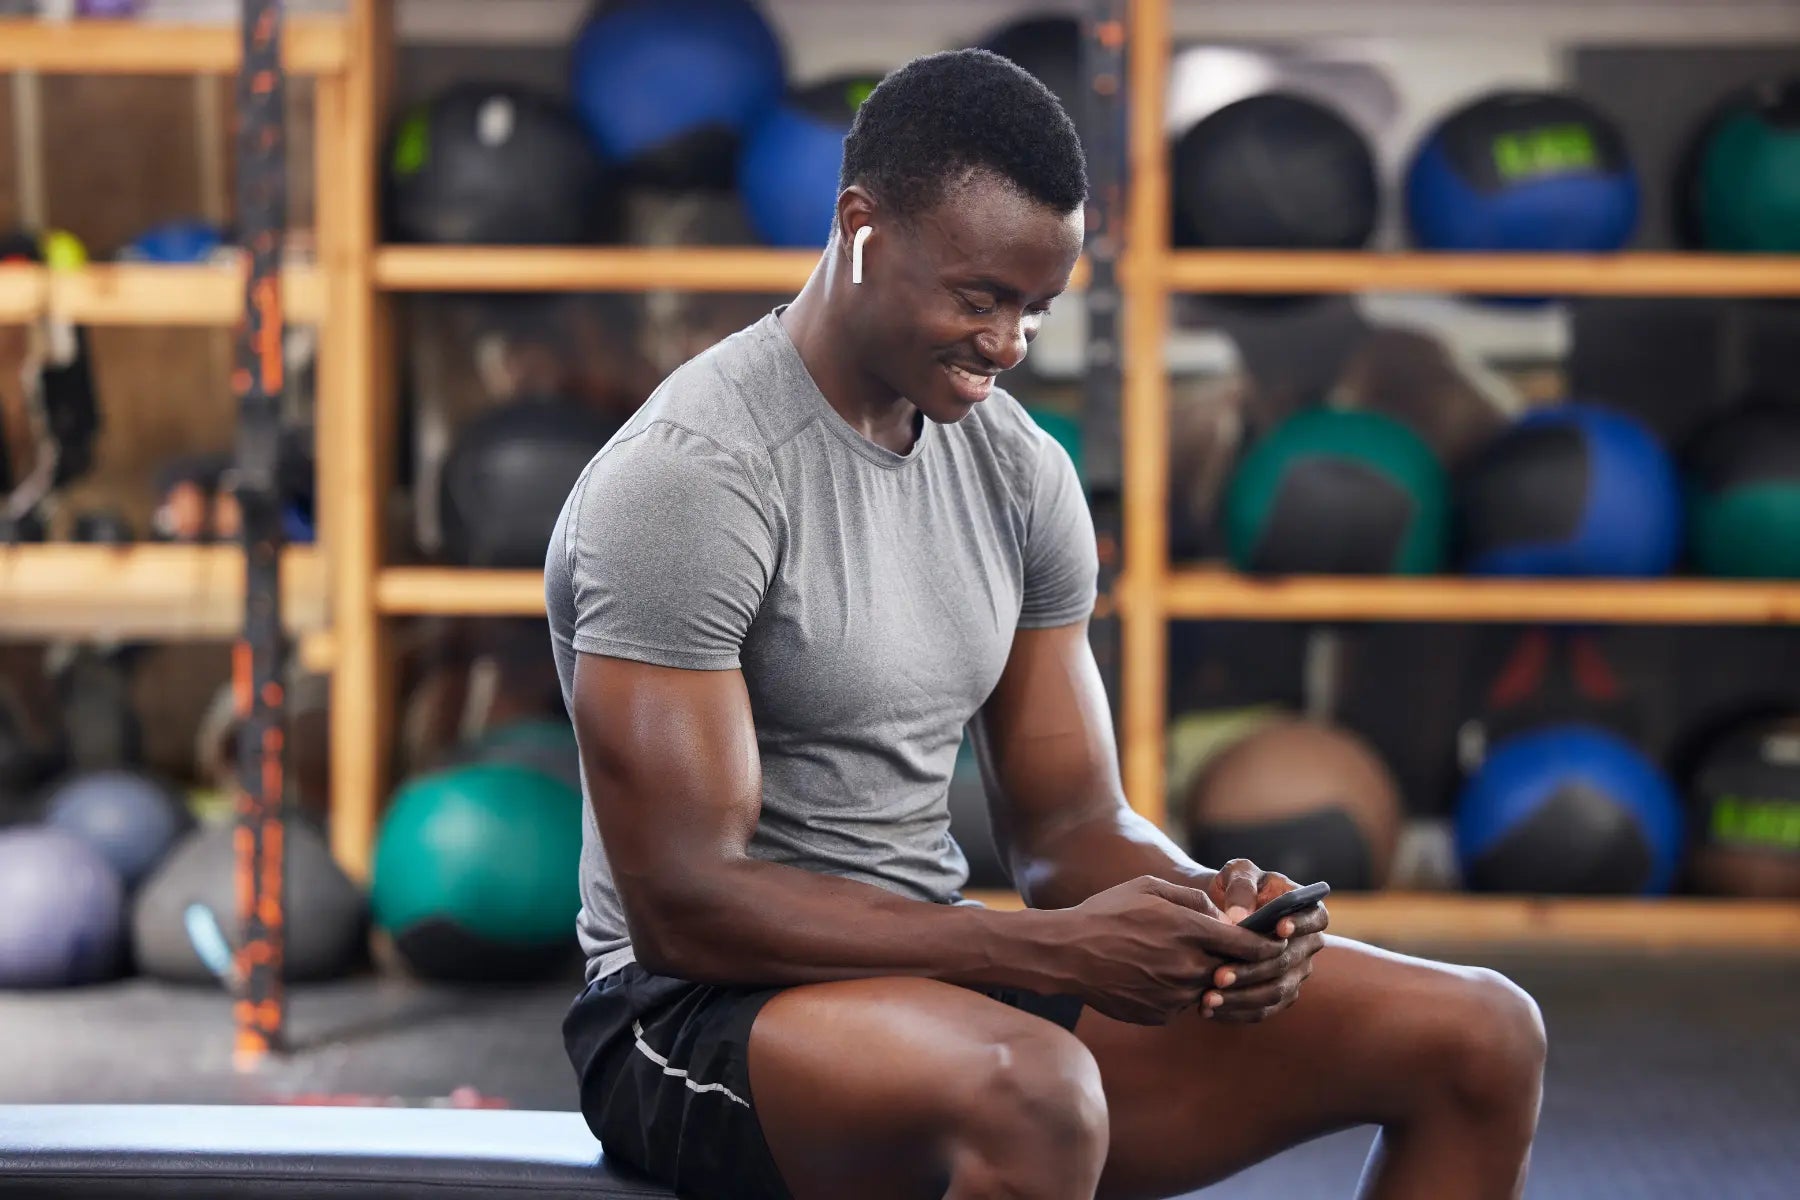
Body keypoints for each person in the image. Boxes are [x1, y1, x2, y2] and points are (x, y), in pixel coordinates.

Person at [548, 48, 1545, 1200]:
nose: (1010, 344)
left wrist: (1206, 917)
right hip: (689, 1023)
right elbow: (688, 909)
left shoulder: (1019, 470)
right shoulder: (692, 480)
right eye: (979, 298)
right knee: (1038, 1092)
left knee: (1480, 1035)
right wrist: (1039, 949)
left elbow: (1071, 828)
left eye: (1037, 307)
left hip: (940, 970)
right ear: (860, 227)